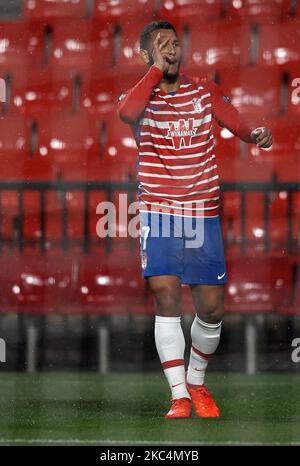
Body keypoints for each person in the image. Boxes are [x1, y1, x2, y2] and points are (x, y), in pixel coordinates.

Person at [116, 21, 273, 419]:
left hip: (201, 213)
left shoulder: (203, 89)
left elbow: (233, 118)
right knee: (166, 296)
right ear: (145, 55)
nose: (172, 49)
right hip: (159, 211)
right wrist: (155, 68)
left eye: (175, 43)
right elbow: (126, 113)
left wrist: (253, 134)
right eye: (161, 45)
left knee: (212, 309)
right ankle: (179, 396)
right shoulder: (140, 96)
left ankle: (197, 382)